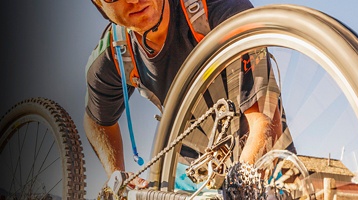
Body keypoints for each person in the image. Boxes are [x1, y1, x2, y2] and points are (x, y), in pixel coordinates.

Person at [84, 0, 296, 192]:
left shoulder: (219, 11)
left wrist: (241, 186)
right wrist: (116, 173)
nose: (133, 0)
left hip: (263, 159)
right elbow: (97, 121)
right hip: (189, 174)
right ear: (99, 5)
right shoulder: (113, 55)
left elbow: (264, 120)